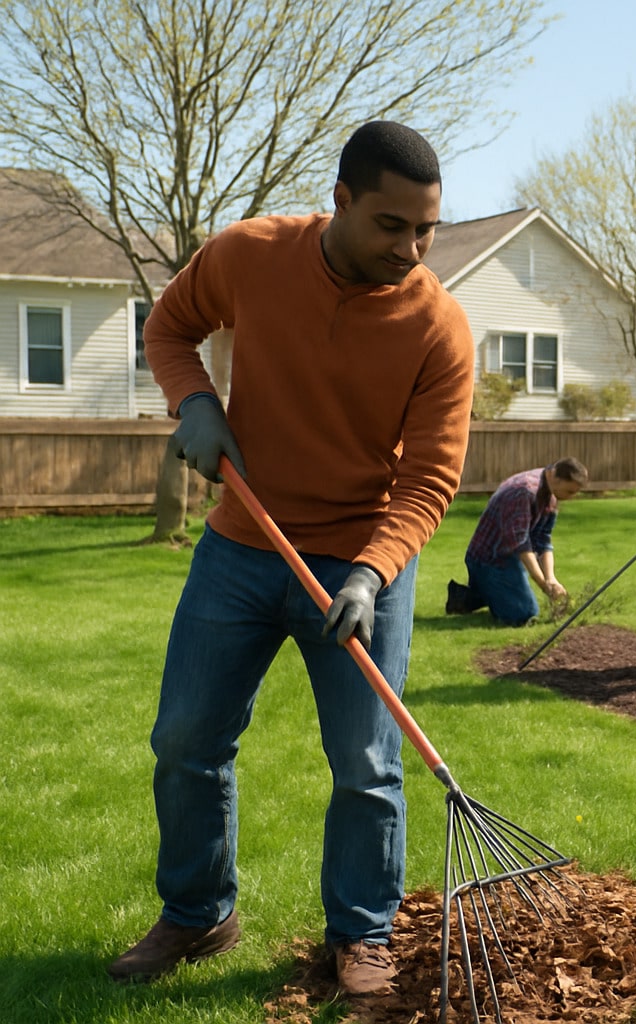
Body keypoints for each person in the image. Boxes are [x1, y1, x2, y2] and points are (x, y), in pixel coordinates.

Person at [108, 122, 475, 999]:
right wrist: (192, 401)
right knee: (187, 740)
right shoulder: (250, 255)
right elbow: (168, 327)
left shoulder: (439, 327)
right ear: (341, 201)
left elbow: (429, 480)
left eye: (426, 229)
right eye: (392, 225)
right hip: (241, 546)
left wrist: (371, 573)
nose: (412, 249)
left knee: (367, 764)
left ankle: (363, 935)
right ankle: (200, 914)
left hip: (359, 562)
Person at [446, 457, 587, 625]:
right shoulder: (524, 491)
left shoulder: (551, 493)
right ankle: (475, 594)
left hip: (509, 558)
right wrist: (543, 585)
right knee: (524, 614)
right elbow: (521, 543)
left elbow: (543, 539)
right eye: (570, 492)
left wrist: (551, 579)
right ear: (556, 477)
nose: (571, 497)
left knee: (521, 606)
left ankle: (478, 594)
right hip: (488, 560)